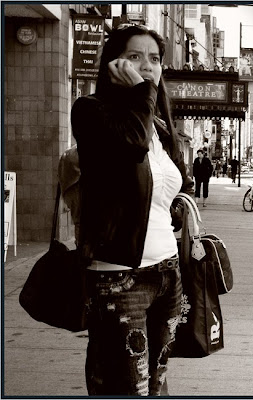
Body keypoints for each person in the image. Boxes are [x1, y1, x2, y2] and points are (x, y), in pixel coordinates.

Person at [71, 25, 194, 396]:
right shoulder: (90, 111)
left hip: (167, 272)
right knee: (129, 387)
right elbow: (132, 144)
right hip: (119, 276)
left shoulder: (156, 125)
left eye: (155, 59)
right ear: (113, 63)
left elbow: (177, 182)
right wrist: (143, 94)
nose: (148, 66)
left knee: (156, 383)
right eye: (135, 56)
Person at [58, 144, 81, 245]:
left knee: (80, 223)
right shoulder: (74, 154)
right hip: (76, 190)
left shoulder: (69, 153)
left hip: (72, 191)